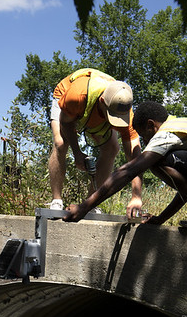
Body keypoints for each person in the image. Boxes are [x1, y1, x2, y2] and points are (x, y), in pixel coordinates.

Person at [64, 100, 187, 228]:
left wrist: (84, 207)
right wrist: (161, 219)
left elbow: (128, 170)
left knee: (155, 160)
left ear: (151, 125)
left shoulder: (167, 133)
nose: (146, 142)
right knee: (166, 162)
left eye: (145, 135)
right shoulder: (183, 124)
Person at [47, 68, 143, 218]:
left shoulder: (126, 112)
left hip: (94, 111)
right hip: (68, 99)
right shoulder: (77, 95)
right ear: (103, 102)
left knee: (112, 149)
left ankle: (90, 204)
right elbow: (66, 123)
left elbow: (136, 158)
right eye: (112, 116)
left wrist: (136, 196)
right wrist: (77, 153)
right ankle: (56, 200)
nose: (115, 122)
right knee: (60, 143)